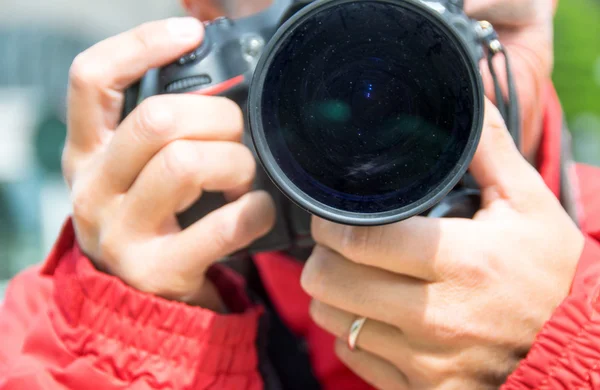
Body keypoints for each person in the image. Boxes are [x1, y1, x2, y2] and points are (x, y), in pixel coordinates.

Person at [1, 0, 600, 388]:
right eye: (336, 38)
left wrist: (573, 348)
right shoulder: (57, 324)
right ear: (211, 17)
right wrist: (130, 330)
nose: (440, 90)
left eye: (479, 30)